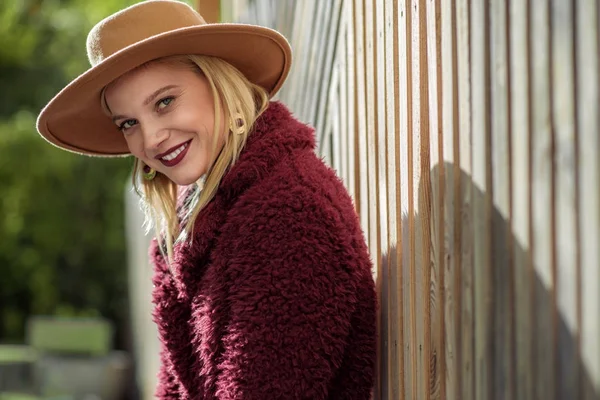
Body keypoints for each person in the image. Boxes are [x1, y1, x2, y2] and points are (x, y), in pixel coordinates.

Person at [36, 1, 376, 398]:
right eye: (129, 123)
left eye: (164, 102)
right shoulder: (192, 220)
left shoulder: (287, 211)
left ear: (218, 82)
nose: (150, 139)